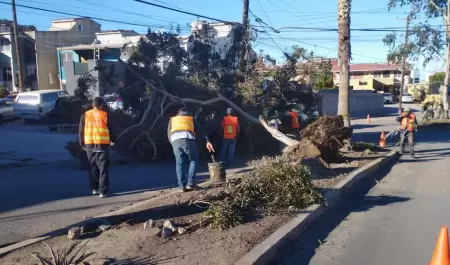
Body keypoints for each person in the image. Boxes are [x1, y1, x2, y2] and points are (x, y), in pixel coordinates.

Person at [168, 108, 215, 192]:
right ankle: (191, 183)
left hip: (175, 141)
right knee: (193, 160)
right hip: (187, 139)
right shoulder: (190, 118)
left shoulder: (173, 119)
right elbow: (200, 131)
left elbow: (169, 133)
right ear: (187, 113)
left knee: (179, 163)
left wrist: (173, 144)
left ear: (178, 113)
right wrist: (207, 141)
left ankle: (182, 186)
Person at [79, 97, 115, 198]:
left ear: (92, 105)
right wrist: (113, 140)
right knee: (103, 169)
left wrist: (81, 142)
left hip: (89, 145)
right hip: (102, 145)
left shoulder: (85, 115)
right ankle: (103, 191)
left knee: (92, 168)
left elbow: (81, 130)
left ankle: (94, 189)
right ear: (101, 105)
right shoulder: (105, 115)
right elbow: (111, 129)